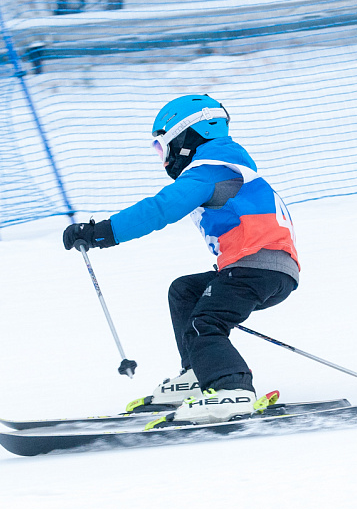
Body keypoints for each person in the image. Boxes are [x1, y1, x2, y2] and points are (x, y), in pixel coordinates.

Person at [62, 95, 299, 424]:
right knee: (185, 291)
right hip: (265, 269)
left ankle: (232, 388)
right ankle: (198, 374)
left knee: (206, 323)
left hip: (254, 267)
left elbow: (160, 209)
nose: (164, 157)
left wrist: (101, 232)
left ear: (187, 136)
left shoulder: (210, 171)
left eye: (162, 146)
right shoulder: (229, 167)